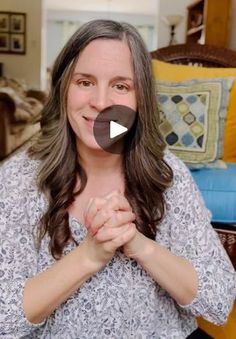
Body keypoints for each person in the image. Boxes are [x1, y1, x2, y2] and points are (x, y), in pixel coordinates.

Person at [0, 19, 235, 339]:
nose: (101, 102)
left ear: (141, 98)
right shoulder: (19, 180)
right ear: (63, 88)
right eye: (84, 82)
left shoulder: (167, 174)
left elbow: (219, 301)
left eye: (121, 86)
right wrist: (89, 255)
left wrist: (139, 244)